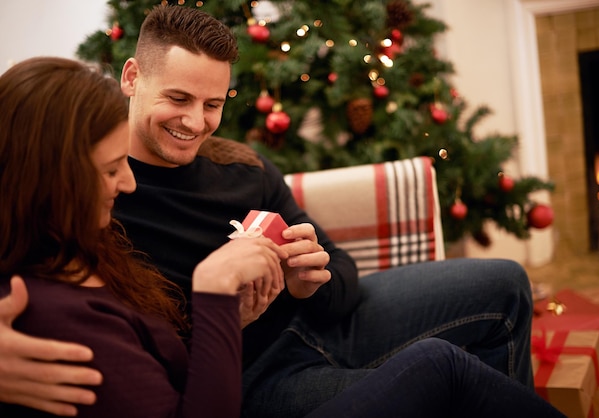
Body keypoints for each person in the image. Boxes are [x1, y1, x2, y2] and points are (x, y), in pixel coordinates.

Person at [0, 5, 563, 418]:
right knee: (440, 373)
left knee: (506, 284)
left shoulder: (240, 167)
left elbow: (340, 270)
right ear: (131, 77)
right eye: (177, 99)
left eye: (213, 104)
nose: (194, 122)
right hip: (251, 378)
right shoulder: (84, 196)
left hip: (319, 322)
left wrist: (309, 281)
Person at [0, 56, 288, 417]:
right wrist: (214, 287)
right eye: (109, 170)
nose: (129, 183)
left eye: (213, 104)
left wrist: (229, 317)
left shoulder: (90, 242)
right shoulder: (57, 314)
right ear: (47, 181)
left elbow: (159, 370)